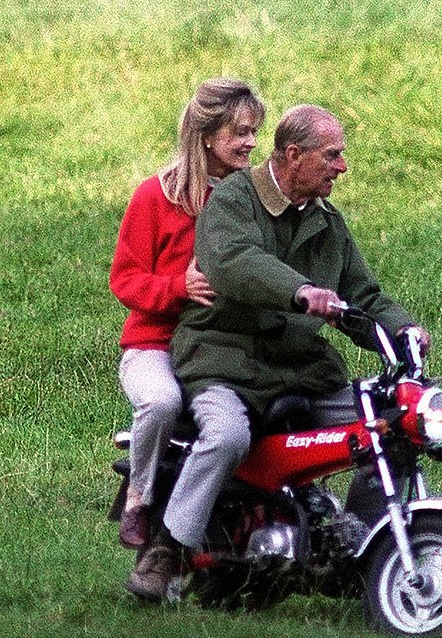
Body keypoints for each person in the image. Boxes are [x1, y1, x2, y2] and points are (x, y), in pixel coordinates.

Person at [125, 104, 431, 601]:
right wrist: (301, 291)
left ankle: (363, 548)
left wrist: (404, 329)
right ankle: (167, 548)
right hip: (223, 358)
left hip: (297, 369)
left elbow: (364, 294)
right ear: (294, 155)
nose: (342, 167)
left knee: (397, 418)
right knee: (225, 437)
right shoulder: (233, 200)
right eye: (332, 156)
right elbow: (233, 261)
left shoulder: (327, 223)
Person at [109, 78, 265, 550]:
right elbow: (125, 279)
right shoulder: (155, 196)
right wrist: (178, 287)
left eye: (255, 131)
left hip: (219, 345)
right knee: (160, 402)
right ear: (206, 135)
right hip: (154, 344)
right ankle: (138, 498)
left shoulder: (249, 198)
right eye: (240, 132)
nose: (251, 143)